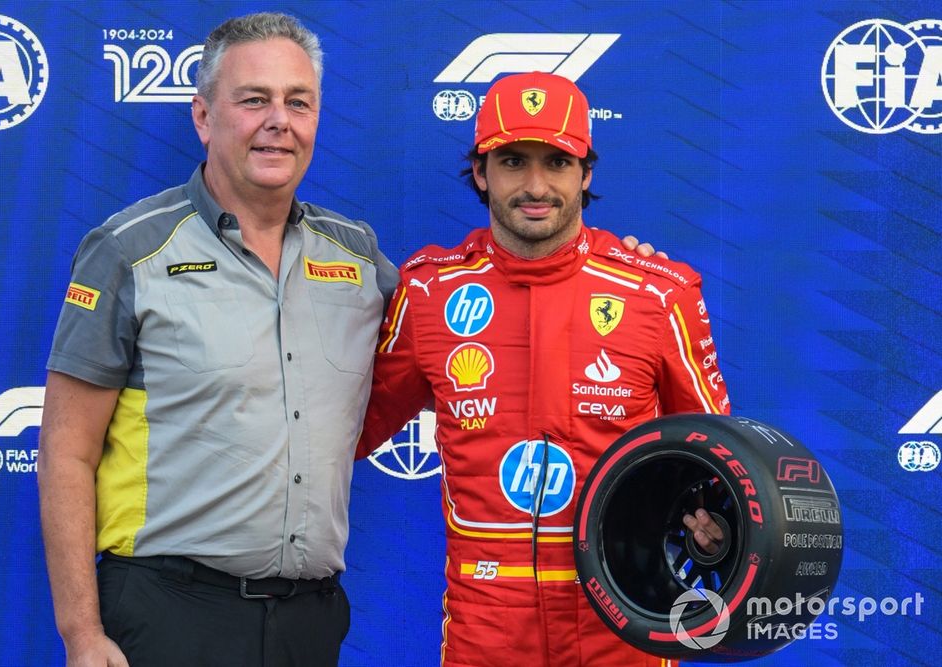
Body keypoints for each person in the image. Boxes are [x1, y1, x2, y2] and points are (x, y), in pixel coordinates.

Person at [37, 13, 398, 667]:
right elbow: (65, 453)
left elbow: (468, 323)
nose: (278, 121)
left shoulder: (362, 261)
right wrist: (82, 635)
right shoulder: (128, 252)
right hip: (167, 616)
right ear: (204, 117)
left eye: (298, 101)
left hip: (310, 624)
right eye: (253, 99)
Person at [357, 71, 730, 666]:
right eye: (512, 161)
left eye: (557, 161)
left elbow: (717, 457)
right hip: (487, 625)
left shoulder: (659, 293)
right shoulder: (427, 291)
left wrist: (713, 530)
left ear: (586, 173)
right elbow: (342, 430)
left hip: (625, 617)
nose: (536, 185)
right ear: (481, 172)